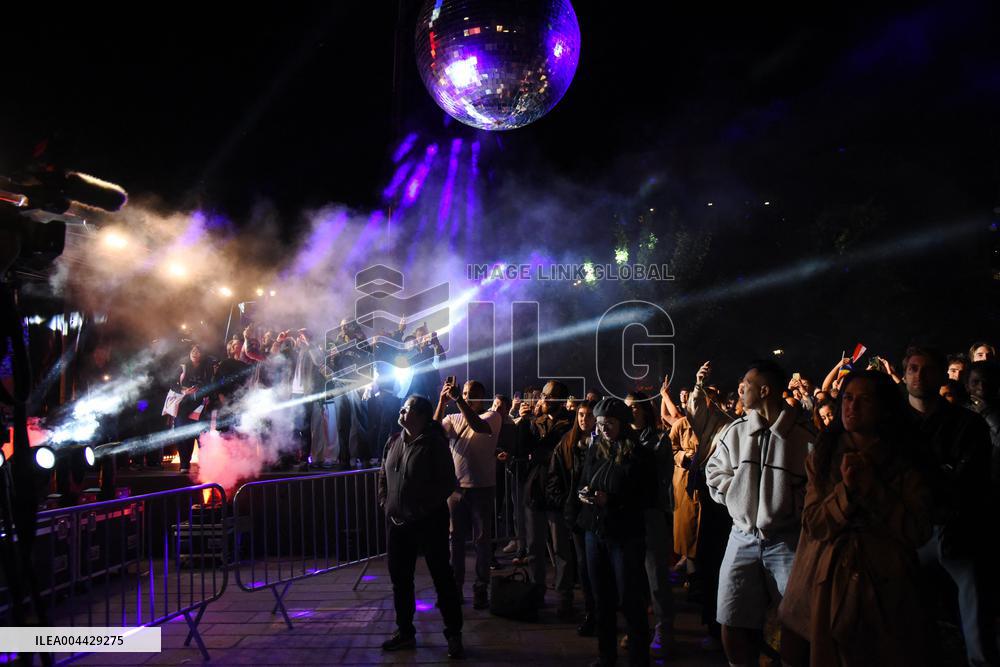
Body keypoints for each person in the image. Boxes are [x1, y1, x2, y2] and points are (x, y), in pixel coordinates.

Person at [779, 371, 933, 666]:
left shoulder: (907, 460)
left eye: (864, 400)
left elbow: (918, 530)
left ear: (884, 407)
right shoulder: (823, 456)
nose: (852, 407)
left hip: (885, 585)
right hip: (824, 578)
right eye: (848, 398)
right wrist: (845, 493)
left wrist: (875, 489)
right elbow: (813, 522)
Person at [705, 359, 814, 666]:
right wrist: (737, 498)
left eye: (747, 384)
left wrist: (789, 506)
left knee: (795, 620)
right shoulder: (735, 431)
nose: (741, 389)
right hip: (742, 536)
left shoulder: (803, 436)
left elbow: (815, 487)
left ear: (765, 390)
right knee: (732, 615)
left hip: (787, 541)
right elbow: (714, 471)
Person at [903, 346, 999, 666]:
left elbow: (972, 479)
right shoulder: (895, 426)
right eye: (913, 368)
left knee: (976, 623)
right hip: (911, 532)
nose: (919, 375)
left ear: (941, 374)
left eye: (927, 369)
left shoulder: (966, 424)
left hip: (959, 529)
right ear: (904, 375)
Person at [377, 395, 464, 659]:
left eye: (408, 408)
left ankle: (453, 635)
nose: (402, 411)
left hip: (428, 523)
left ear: (422, 416)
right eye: (402, 407)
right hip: (397, 524)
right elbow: (383, 475)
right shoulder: (393, 441)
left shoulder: (434, 444)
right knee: (400, 581)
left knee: (442, 578)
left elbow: (447, 482)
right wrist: (385, 502)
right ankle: (405, 632)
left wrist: (422, 509)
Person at [577, 397, 656, 667]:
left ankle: (638, 658)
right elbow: (585, 479)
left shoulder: (639, 453)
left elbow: (645, 495)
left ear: (622, 423)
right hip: (595, 531)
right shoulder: (595, 449)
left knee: (630, 599)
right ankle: (605, 655)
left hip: (625, 536)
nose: (604, 428)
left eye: (609, 423)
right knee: (602, 598)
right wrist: (584, 495)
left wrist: (611, 500)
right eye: (600, 424)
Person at [434, 378, 501, 610]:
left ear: (481, 396)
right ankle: (456, 588)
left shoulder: (492, 416)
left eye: (470, 393)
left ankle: (481, 588)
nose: (464, 395)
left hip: (482, 488)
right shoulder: (452, 418)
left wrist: (459, 401)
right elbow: (434, 433)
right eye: (463, 391)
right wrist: (442, 403)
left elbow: (478, 427)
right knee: (456, 541)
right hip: (456, 489)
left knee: (482, 541)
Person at [514, 380, 572, 605]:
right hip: (535, 489)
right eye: (544, 395)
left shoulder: (569, 423)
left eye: (550, 396)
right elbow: (521, 450)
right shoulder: (533, 422)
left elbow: (549, 447)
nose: (544, 399)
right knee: (534, 546)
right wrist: (521, 421)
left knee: (560, 548)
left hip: (558, 489)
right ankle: (537, 591)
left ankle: (564, 595)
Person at [625, 390, 674, 659]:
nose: (630, 412)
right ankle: (638, 629)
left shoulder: (658, 440)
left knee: (656, 575)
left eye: (634, 408)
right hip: (628, 514)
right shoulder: (620, 439)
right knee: (633, 576)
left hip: (651, 511)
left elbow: (646, 470)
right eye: (626, 408)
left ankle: (664, 629)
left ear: (645, 410)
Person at [547, 400, 597, 633]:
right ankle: (591, 612)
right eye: (580, 415)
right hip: (578, 515)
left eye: (588, 415)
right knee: (585, 565)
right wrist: (566, 504)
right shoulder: (567, 444)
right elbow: (554, 477)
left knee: (599, 566)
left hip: (600, 514)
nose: (584, 419)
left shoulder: (603, 443)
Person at [174, 344, 213, 473]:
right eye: (193, 351)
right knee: (182, 435)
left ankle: (205, 464)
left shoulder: (207, 368)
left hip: (200, 405)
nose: (195, 353)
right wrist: (184, 391)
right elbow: (172, 384)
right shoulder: (182, 367)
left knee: (202, 435)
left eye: (198, 351)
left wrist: (203, 392)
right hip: (183, 406)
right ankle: (184, 464)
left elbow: (211, 384)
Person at [965, 360, 1000, 484]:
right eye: (975, 382)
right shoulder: (960, 413)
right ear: (967, 386)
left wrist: (987, 412)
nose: (981, 387)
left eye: (986, 382)